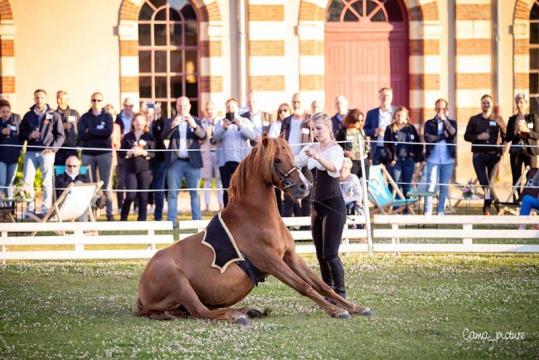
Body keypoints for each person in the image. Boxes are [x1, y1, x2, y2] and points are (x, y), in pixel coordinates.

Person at [294, 112, 347, 297]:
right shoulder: (310, 147)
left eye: (319, 128)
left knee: (330, 253)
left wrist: (317, 157)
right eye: (312, 129)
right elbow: (295, 163)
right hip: (315, 206)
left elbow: (334, 168)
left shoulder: (336, 149)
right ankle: (327, 291)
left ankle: (340, 293)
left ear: (328, 128)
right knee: (320, 255)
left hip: (334, 205)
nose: (315, 132)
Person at [20, 89, 65, 214]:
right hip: (30, 152)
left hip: (47, 153)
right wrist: (30, 135)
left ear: (46, 99)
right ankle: (29, 210)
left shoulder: (54, 115)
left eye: (42, 98)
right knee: (27, 181)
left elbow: (61, 135)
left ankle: (45, 210)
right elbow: (21, 133)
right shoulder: (28, 115)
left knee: (46, 182)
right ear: (34, 99)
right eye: (37, 98)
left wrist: (53, 149)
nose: (39, 100)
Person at [163, 96, 206, 224]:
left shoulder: (196, 120)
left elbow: (203, 136)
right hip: (175, 162)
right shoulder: (170, 121)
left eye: (185, 106)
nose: (182, 108)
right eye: (180, 106)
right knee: (172, 193)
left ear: (189, 107)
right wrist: (172, 126)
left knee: (195, 194)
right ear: (176, 107)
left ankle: (197, 221)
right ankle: (171, 222)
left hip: (192, 162)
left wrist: (194, 126)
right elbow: (163, 136)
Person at [464, 94, 507, 215]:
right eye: (484, 102)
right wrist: (478, 137)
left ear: (492, 104)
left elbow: (506, 136)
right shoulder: (474, 119)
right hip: (478, 155)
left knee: (490, 184)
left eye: (488, 102)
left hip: (494, 156)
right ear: (481, 104)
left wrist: (502, 151)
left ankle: (486, 208)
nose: (486, 104)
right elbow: (466, 136)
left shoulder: (498, 119)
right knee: (484, 182)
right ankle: (498, 203)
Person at [213, 98, 256, 207]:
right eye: (228, 107)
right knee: (227, 190)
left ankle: (244, 214)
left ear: (237, 108)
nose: (230, 109)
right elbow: (215, 138)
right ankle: (228, 214)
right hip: (225, 162)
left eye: (233, 107)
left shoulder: (245, 121)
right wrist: (223, 127)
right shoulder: (220, 122)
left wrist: (240, 125)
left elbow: (251, 136)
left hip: (241, 162)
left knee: (243, 189)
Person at [78, 92, 115, 220]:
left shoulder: (108, 117)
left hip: (104, 153)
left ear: (102, 102)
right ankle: (89, 214)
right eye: (94, 100)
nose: (96, 102)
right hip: (88, 154)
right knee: (89, 185)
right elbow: (82, 134)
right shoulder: (84, 117)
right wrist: (98, 132)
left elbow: (108, 132)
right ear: (91, 101)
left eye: (99, 100)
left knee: (106, 184)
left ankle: (110, 213)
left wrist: (91, 131)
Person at [280, 92, 312, 217]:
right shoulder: (287, 121)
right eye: (294, 102)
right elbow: (282, 138)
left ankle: (306, 228)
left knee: (307, 196)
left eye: (299, 102)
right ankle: (287, 228)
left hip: (306, 161)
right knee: (288, 197)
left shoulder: (309, 120)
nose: (296, 104)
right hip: (290, 163)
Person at [423, 99, 457, 215]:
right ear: (435, 109)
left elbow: (452, 133)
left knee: (444, 186)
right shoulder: (429, 123)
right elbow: (428, 138)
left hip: (448, 159)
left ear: (446, 110)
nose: (440, 111)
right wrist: (443, 136)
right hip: (433, 158)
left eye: (443, 108)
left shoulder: (451, 123)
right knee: (431, 185)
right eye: (438, 108)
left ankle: (441, 211)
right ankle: (427, 211)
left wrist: (445, 121)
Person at [119, 113, 155, 221]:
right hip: (130, 169)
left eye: (141, 121)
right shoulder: (127, 136)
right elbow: (121, 153)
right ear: (133, 122)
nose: (139, 123)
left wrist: (144, 153)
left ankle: (141, 221)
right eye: (137, 121)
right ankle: (123, 218)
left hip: (145, 170)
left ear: (145, 123)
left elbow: (153, 154)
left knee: (143, 196)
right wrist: (128, 152)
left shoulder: (149, 137)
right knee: (130, 195)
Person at [384, 106, 423, 197]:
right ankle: (396, 208)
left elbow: (418, 143)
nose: (400, 118)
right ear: (394, 116)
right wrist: (390, 159)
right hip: (395, 161)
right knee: (396, 184)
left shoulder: (411, 128)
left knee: (406, 185)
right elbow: (386, 145)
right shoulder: (390, 129)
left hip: (408, 160)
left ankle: (405, 208)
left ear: (406, 117)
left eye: (402, 116)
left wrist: (414, 157)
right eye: (398, 115)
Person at [506, 93, 539, 203]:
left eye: (521, 102)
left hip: (530, 151)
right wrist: (515, 132)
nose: (519, 104)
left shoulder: (532, 117)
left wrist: (527, 130)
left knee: (532, 177)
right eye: (517, 102)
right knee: (516, 177)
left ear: (526, 103)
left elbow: (537, 135)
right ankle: (516, 201)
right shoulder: (512, 119)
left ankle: (528, 200)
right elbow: (507, 137)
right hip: (516, 152)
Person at [268, 102, 292, 214]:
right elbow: (271, 141)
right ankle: (280, 214)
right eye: (280, 111)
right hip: (278, 160)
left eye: (285, 110)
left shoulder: (291, 123)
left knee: (291, 189)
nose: (282, 113)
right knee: (277, 189)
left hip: (290, 159)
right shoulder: (275, 125)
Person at [200, 101, 223, 213]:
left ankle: (221, 205)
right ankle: (207, 205)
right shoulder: (202, 122)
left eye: (211, 109)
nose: (210, 111)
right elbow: (199, 140)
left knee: (219, 181)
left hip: (218, 153)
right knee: (207, 181)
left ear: (215, 109)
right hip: (207, 153)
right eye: (208, 109)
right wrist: (206, 134)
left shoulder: (220, 122)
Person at [114, 97, 136, 213]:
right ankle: (119, 206)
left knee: (135, 180)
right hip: (121, 153)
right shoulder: (117, 118)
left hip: (135, 152)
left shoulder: (136, 117)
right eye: (126, 106)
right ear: (123, 106)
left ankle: (135, 207)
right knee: (121, 181)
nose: (128, 108)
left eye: (130, 106)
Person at [336, 108, 370, 180]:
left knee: (365, 185)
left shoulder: (361, 130)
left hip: (364, 160)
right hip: (351, 162)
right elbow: (337, 146)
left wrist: (370, 158)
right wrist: (345, 152)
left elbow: (366, 144)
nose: (360, 122)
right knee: (352, 184)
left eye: (362, 120)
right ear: (352, 119)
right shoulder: (343, 131)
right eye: (358, 120)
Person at [54, 155, 90, 221]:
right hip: (66, 202)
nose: (72, 168)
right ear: (65, 165)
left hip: (82, 201)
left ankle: (80, 230)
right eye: (69, 166)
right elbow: (62, 186)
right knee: (79, 184)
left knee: (83, 201)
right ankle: (97, 200)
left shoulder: (84, 177)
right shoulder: (60, 177)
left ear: (79, 166)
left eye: (74, 166)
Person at [364, 87, 395, 165]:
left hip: (392, 149)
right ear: (379, 97)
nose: (385, 98)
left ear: (392, 97)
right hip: (376, 149)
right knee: (376, 175)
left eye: (388, 95)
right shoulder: (371, 113)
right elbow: (364, 130)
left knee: (391, 175)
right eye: (383, 95)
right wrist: (375, 131)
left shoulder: (396, 112)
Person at [148, 103, 168, 220]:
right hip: (144, 160)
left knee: (158, 187)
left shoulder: (163, 122)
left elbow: (161, 136)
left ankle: (158, 216)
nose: (155, 111)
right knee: (149, 186)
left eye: (158, 109)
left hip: (159, 158)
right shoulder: (143, 121)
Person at [0, 99, 21, 203]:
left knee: (10, 183)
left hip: (13, 157)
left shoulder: (16, 120)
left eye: (8, 111)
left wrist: (19, 149)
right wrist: (1, 132)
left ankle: (9, 209)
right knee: (1, 182)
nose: (6, 114)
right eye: (3, 111)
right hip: (1, 158)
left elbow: (22, 135)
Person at [54, 90, 80, 166]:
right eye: (58, 98)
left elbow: (79, 129)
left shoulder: (74, 113)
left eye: (61, 98)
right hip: (58, 148)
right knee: (59, 173)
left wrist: (79, 144)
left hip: (72, 148)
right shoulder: (53, 113)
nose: (58, 100)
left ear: (67, 100)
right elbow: (49, 130)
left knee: (73, 172)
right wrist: (61, 127)